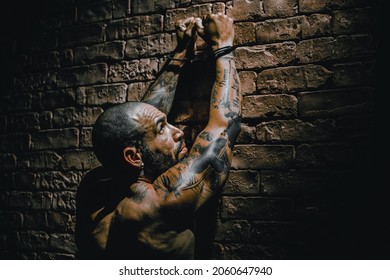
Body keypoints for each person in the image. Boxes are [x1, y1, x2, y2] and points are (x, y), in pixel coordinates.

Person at [75, 13, 241, 259]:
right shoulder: (161, 203)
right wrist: (224, 46)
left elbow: (137, 125)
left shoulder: (93, 188)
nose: (178, 131)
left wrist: (181, 53)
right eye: (163, 128)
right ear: (132, 156)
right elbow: (224, 124)